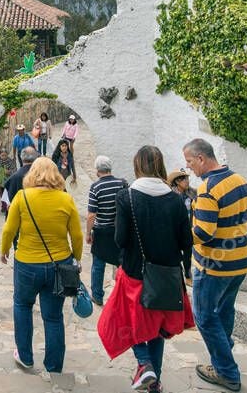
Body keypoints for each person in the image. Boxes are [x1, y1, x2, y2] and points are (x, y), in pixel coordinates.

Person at [97, 145, 194, 393]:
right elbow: (186, 241)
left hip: (136, 272)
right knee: (156, 330)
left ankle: (143, 363)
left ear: (137, 165)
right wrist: (186, 270)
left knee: (124, 320)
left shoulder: (126, 197)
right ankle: (154, 382)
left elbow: (120, 239)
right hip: (167, 275)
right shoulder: (176, 200)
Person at [183, 138, 247, 393]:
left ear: (201, 158)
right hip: (240, 261)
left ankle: (226, 372)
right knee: (225, 310)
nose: (188, 167)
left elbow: (203, 233)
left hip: (213, 265)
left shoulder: (207, 189)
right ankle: (223, 354)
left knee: (204, 317)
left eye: (189, 162)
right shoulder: (239, 180)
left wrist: (181, 237)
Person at [0, 157, 83, 376]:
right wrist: (77, 258)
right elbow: (76, 235)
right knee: (53, 316)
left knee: (22, 306)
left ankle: (25, 356)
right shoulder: (66, 199)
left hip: (27, 263)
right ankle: (54, 365)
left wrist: (4, 249)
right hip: (59, 264)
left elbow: (9, 229)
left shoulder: (22, 197)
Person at [86, 155, 127, 306]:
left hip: (101, 231)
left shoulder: (96, 187)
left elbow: (91, 215)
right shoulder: (122, 183)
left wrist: (88, 233)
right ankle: (120, 295)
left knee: (98, 264)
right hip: (118, 230)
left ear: (97, 170)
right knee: (120, 263)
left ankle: (97, 295)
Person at [168, 168, 196, 283]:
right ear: (177, 181)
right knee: (174, 253)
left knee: (188, 253)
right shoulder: (170, 195)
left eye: (187, 178)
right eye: (184, 179)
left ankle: (188, 275)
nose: (187, 181)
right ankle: (176, 275)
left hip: (188, 228)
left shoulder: (192, 193)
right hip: (174, 229)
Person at [0, 148, 16, 214]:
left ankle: (7, 207)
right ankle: (3, 207)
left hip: (8, 182)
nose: (4, 157)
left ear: (7, 155)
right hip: (0, 182)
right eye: (2, 155)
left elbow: (14, 171)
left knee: (7, 195)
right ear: (0, 155)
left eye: (5, 155)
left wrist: (9, 172)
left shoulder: (10, 161)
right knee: (2, 195)